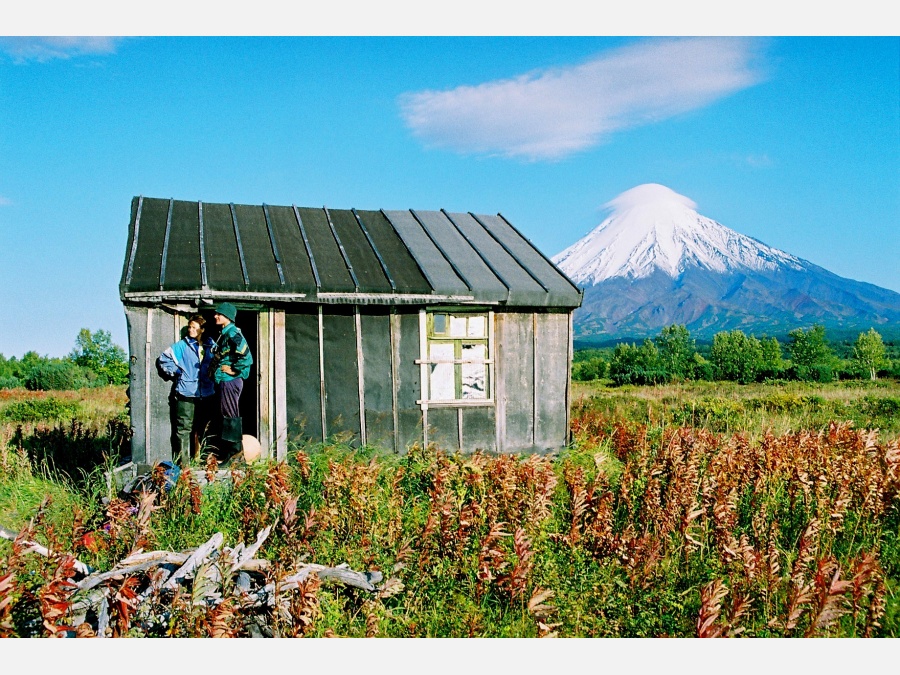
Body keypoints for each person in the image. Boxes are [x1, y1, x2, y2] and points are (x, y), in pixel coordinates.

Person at [156, 314, 216, 467]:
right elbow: (163, 359)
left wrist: (214, 375)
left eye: (194, 328)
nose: (190, 330)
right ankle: (185, 466)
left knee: (205, 427)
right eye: (189, 327)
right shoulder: (182, 346)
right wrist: (177, 372)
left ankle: (203, 460)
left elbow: (219, 360)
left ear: (202, 330)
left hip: (207, 392)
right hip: (185, 392)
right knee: (184, 429)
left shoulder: (211, 345)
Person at [210, 302, 253, 460]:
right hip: (225, 380)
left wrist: (235, 369)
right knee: (228, 415)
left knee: (230, 416)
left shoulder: (232, 333)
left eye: (218, 314)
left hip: (230, 380)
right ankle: (234, 454)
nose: (215, 316)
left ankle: (234, 455)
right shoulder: (224, 333)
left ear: (227, 316)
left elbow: (246, 356)